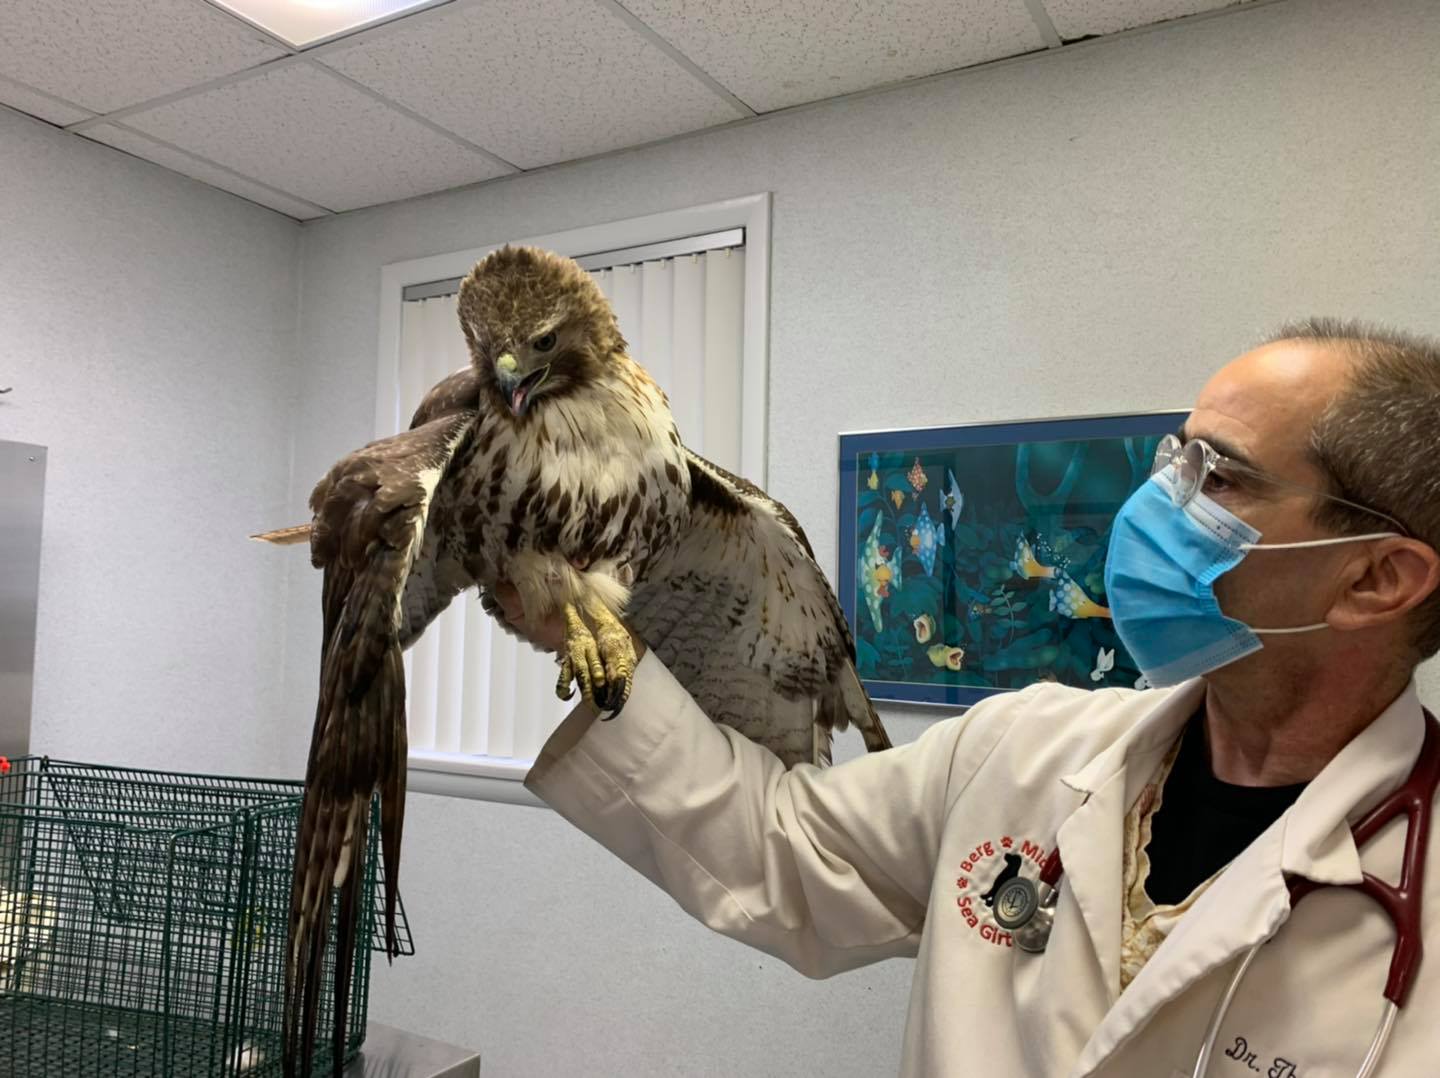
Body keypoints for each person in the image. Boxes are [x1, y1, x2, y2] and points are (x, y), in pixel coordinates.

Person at [497, 318, 1440, 1077]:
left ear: (1376, 580)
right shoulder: (1023, 748)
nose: (1153, 501)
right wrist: (590, 633)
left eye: (1217, 477)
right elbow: (781, 847)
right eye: (1173, 457)